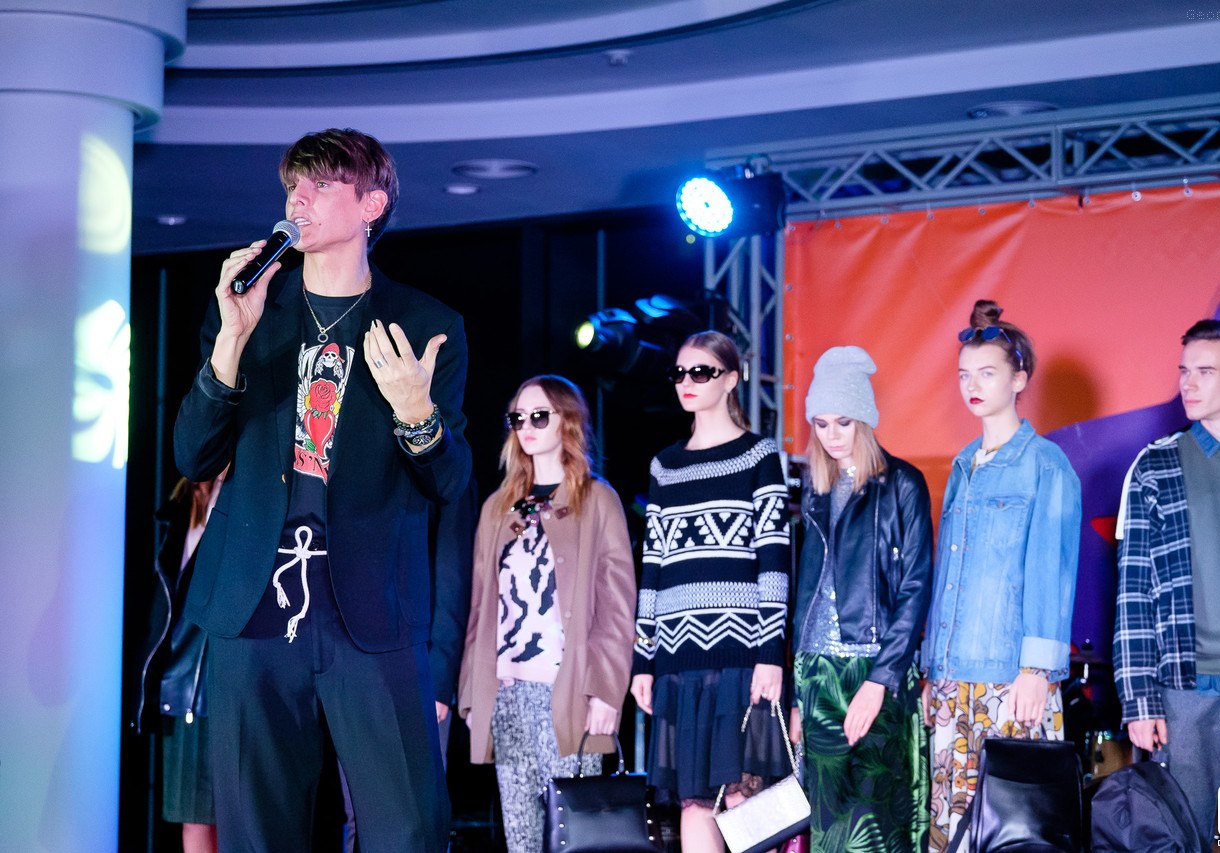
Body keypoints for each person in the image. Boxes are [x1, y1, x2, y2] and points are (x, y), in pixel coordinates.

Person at [172, 127, 471, 851]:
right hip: (253, 605)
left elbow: (448, 481)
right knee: (255, 832)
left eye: (320, 185)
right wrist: (229, 343)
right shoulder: (251, 312)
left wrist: (417, 414)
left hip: (370, 610)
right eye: (291, 187)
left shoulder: (426, 325)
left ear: (372, 205)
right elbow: (192, 453)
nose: (297, 199)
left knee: (407, 828)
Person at [921, 300, 1081, 852]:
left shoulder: (1046, 464)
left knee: (1013, 834)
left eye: (986, 373)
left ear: (1019, 378)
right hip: (953, 680)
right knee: (952, 833)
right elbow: (948, 578)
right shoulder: (963, 464)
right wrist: (932, 669)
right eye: (964, 375)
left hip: (1010, 682)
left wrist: (1036, 670)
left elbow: (1051, 572)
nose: (972, 385)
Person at [1114, 319, 1220, 845]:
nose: (1187, 382)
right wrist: (1139, 700)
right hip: (1184, 688)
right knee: (1180, 836)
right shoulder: (1155, 466)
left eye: (1204, 371)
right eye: (1184, 370)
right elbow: (1133, 594)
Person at [458, 375, 635, 853]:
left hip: (569, 691)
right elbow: (481, 606)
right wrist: (473, 695)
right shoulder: (498, 507)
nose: (527, 427)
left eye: (540, 416)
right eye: (518, 418)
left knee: (573, 839)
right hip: (508, 692)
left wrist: (606, 691)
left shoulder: (597, 500)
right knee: (521, 839)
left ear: (567, 421)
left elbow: (617, 606)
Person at [631, 330, 793, 853]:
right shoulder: (665, 466)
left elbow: (775, 561)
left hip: (741, 657)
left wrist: (770, 654)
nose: (688, 382)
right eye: (680, 372)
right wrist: (642, 661)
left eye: (701, 372)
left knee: (743, 795)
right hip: (677, 660)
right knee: (692, 801)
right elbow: (653, 569)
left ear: (731, 380)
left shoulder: (758, 456)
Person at [790, 346, 932, 853]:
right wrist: (796, 695)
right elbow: (805, 591)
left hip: (874, 669)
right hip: (816, 673)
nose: (831, 435)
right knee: (828, 828)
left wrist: (880, 679)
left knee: (876, 825)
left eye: (843, 422)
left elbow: (916, 587)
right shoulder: (815, 489)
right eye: (821, 423)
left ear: (865, 420)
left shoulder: (903, 484)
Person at [135, 474, 225, 853]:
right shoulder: (179, 504)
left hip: (225, 681)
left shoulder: (245, 488)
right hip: (182, 682)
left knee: (237, 820)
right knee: (194, 819)